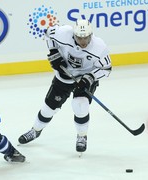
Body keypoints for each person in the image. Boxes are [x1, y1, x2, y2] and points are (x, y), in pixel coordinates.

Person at [18, 19, 112, 153]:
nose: (83, 42)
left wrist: (89, 78)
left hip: (85, 78)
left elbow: (106, 69)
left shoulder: (99, 47)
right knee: (48, 109)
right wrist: (53, 53)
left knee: (80, 104)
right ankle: (35, 130)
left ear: (91, 35)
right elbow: (48, 34)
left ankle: (82, 136)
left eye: (86, 38)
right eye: (80, 38)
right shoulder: (63, 33)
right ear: (74, 34)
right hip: (64, 75)